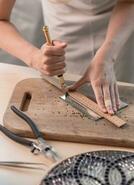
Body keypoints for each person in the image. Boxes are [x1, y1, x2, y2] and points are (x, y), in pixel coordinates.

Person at [0, 0, 133, 115]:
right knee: (70, 93)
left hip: (120, 32)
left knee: (119, 95)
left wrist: (108, 54)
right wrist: (35, 57)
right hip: (64, 26)